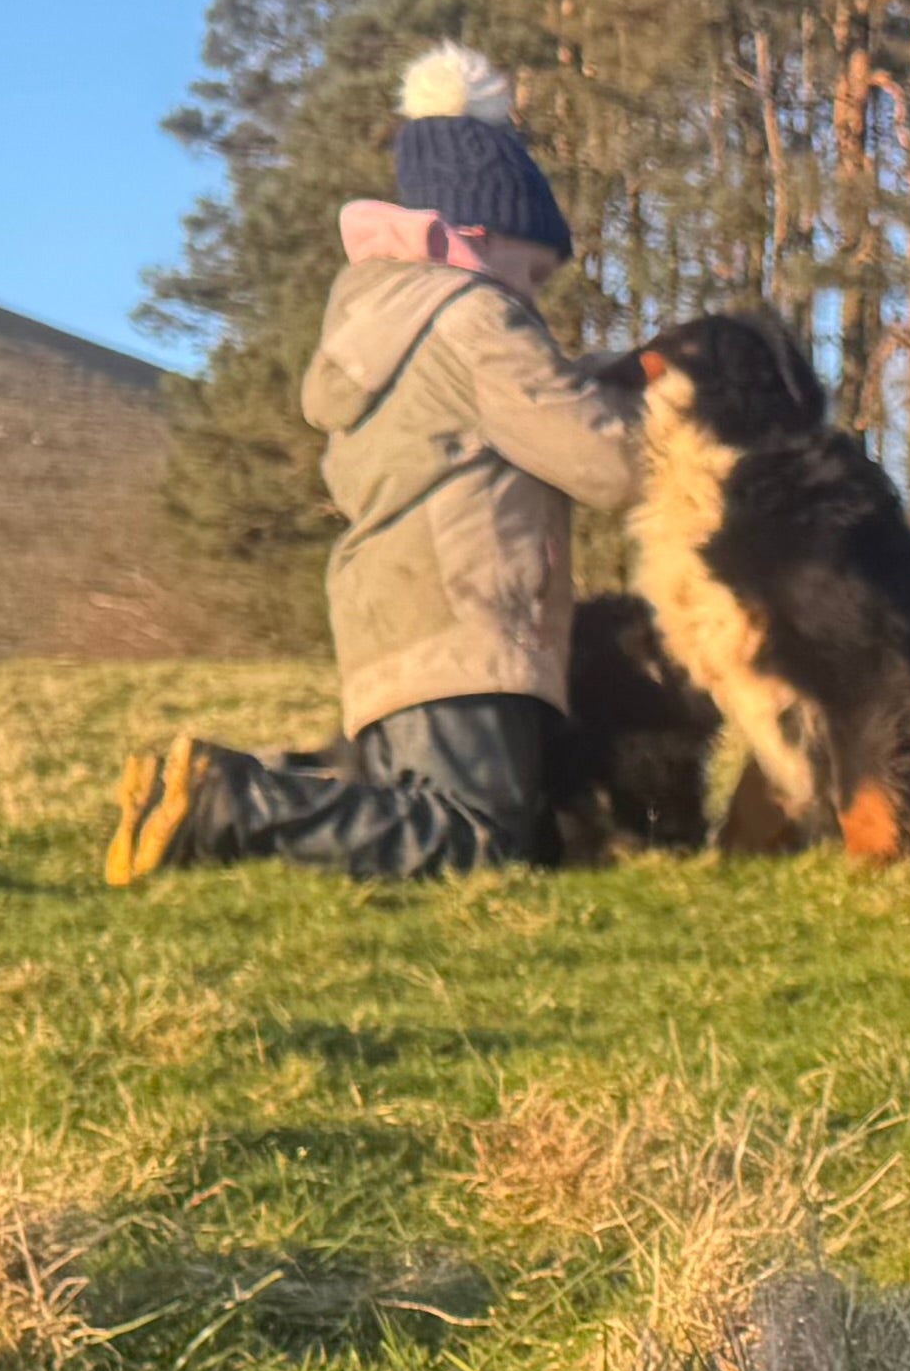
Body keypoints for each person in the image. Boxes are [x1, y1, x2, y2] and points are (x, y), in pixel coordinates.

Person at [105, 43, 639, 885]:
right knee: (476, 835)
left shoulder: (386, 323)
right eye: (535, 274)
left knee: (429, 808)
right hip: (467, 618)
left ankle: (225, 784)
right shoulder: (477, 319)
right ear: (477, 234)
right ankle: (230, 803)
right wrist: (670, 415)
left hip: (390, 620)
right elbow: (605, 460)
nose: (538, 298)